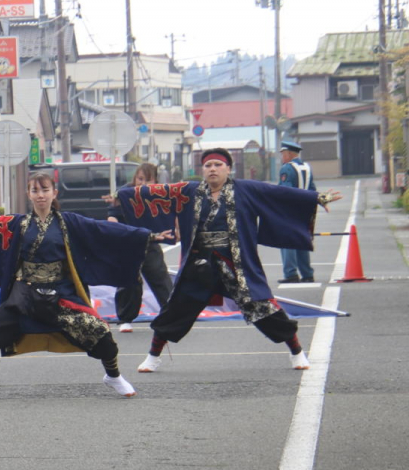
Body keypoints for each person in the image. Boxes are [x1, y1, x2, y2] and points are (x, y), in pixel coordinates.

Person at [0, 171, 155, 401]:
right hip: (24, 294)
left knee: (100, 331)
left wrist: (147, 236)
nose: (41, 195)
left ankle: (113, 376)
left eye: (45, 190)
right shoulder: (17, 224)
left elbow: (104, 230)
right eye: (35, 190)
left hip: (61, 295)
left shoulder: (69, 222)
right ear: (29, 194)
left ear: (54, 192)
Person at [120, 148, 341, 373]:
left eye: (218, 165)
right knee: (175, 309)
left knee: (263, 308)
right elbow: (154, 192)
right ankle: (152, 357)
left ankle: (297, 352)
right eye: (208, 165)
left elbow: (280, 195)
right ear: (202, 170)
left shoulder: (245, 189)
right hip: (199, 265)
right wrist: (120, 196)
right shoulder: (189, 190)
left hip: (237, 264)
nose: (213, 169)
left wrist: (316, 198)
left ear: (228, 168)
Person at [105, 163, 174, 333]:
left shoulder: (159, 195)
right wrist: (113, 226)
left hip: (150, 243)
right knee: (129, 281)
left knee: (160, 278)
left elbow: (172, 213)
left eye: (148, 180)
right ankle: (125, 319)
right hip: (127, 245)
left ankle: (173, 316)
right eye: (140, 179)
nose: (143, 184)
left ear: (155, 181)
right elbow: (112, 216)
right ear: (135, 178)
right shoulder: (123, 194)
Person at [277, 140, 317, 284]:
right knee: (301, 241)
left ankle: (291, 273)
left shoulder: (287, 168)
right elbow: (312, 188)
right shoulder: (306, 167)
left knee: (287, 242)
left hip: (290, 210)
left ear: (288, 154)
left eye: (283, 154)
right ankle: (307, 274)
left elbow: (285, 191)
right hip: (305, 209)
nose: (282, 157)